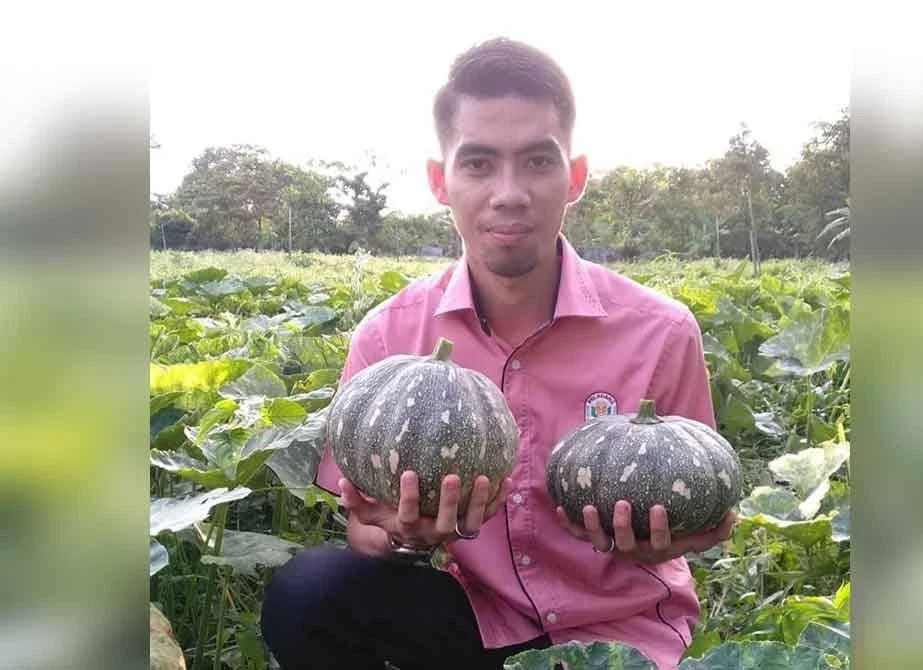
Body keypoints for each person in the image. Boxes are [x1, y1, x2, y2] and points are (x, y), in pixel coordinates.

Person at [260, 36, 736, 670]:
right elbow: (364, 528)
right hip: (476, 621)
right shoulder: (388, 337)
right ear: (441, 180)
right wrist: (405, 536)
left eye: (537, 161)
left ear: (575, 177)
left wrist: (679, 536)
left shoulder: (662, 332)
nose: (509, 192)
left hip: (621, 633)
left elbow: (699, 495)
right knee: (309, 593)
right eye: (479, 163)